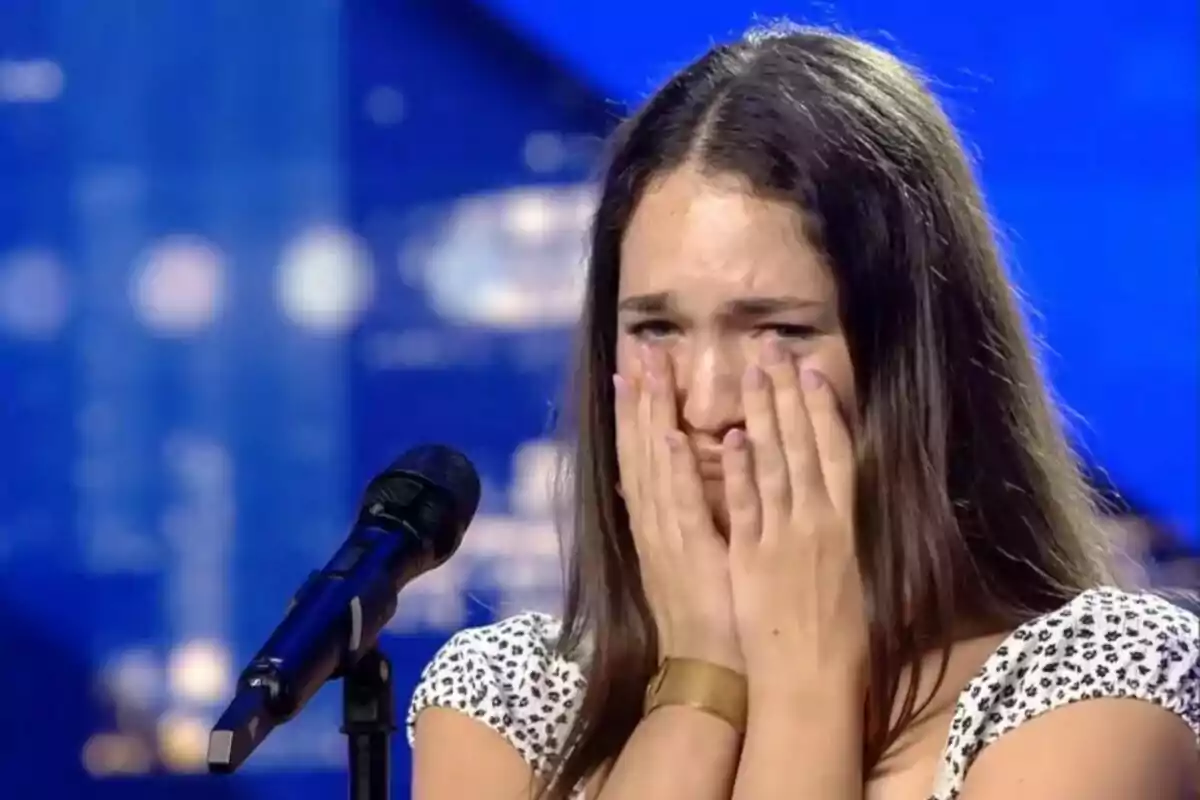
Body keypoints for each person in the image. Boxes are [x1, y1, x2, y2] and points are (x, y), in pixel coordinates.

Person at [407, 22, 1200, 800]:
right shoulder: (509, 703)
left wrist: (805, 686)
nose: (708, 404)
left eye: (779, 331)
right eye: (657, 328)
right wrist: (700, 684)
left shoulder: (1100, 680)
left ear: (913, 355)